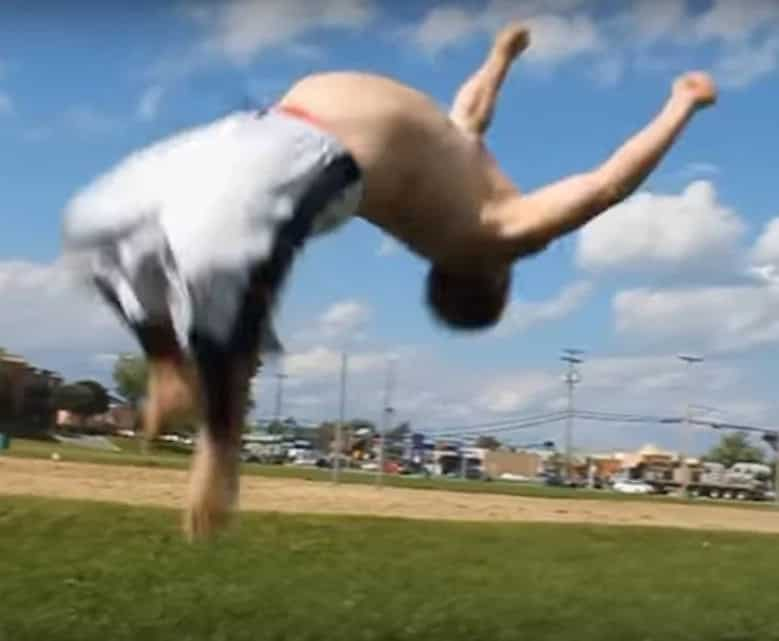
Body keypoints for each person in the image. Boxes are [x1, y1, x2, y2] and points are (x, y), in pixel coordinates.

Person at [61, 22, 717, 539]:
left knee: (215, 272)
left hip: (307, 159)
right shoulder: (467, 176)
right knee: (97, 230)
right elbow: (470, 116)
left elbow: (606, 186)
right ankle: (167, 363)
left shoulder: (501, 231)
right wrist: (501, 56)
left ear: (483, 276)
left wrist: (679, 105)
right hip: (256, 130)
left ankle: (221, 446)